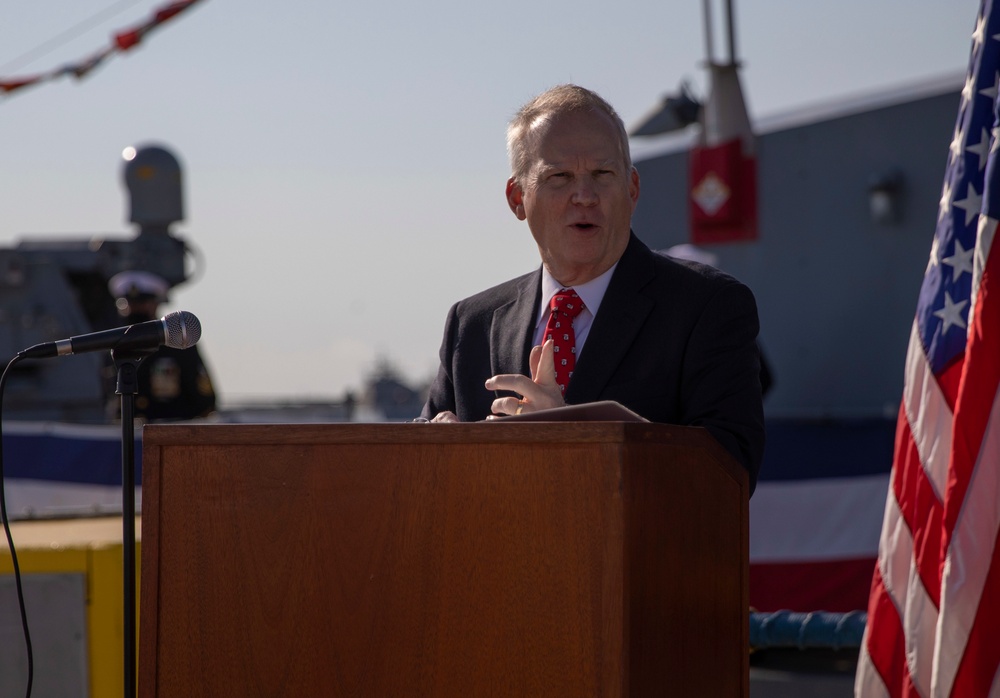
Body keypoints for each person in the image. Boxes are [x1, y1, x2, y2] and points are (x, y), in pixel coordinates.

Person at [420, 84, 765, 491]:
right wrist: (430, 451)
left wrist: (574, 436)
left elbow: (728, 477)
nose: (584, 196)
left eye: (602, 174)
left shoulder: (708, 307)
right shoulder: (471, 324)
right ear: (517, 199)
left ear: (632, 189)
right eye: (559, 177)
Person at [105, 270, 217, 422]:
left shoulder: (178, 344)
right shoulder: (112, 345)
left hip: (169, 431)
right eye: (128, 304)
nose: (134, 310)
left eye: (142, 304)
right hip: (123, 432)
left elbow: (204, 400)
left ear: (155, 305)